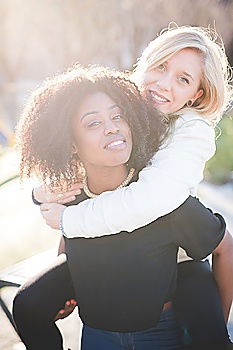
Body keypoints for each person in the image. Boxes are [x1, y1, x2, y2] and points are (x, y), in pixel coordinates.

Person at [33, 25, 233, 347]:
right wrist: (42, 194)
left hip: (179, 252)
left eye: (183, 79)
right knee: (30, 303)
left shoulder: (191, 131)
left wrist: (70, 220)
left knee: (209, 334)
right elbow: (79, 172)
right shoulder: (124, 109)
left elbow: (150, 200)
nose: (164, 84)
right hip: (118, 248)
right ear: (146, 63)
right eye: (160, 66)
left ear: (196, 94)